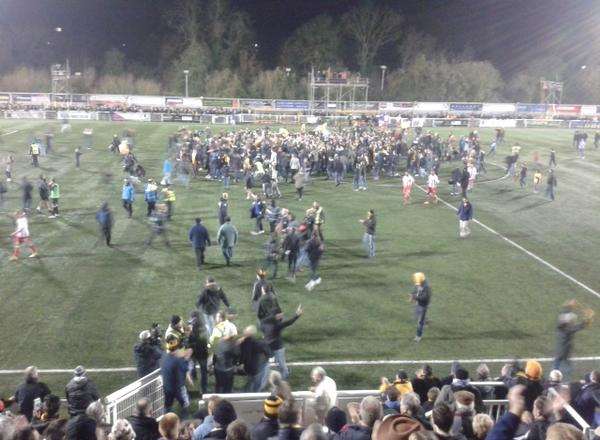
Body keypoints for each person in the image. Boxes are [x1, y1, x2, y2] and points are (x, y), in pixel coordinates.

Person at [553, 300, 594, 379]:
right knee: (567, 367)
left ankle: (555, 376)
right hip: (565, 351)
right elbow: (579, 327)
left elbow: (563, 317)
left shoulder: (560, 328)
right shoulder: (569, 329)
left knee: (557, 365)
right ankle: (566, 379)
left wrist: (568, 306)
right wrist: (587, 320)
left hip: (559, 351)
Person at [260, 305, 303, 380]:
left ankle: (284, 376)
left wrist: (265, 337)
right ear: (276, 315)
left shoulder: (264, 322)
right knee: (281, 364)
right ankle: (285, 374)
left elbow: (263, 329)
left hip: (268, 346)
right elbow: (289, 322)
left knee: (273, 363)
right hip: (277, 347)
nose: (282, 315)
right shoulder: (277, 325)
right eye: (280, 314)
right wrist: (297, 315)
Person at [161, 336, 192, 417]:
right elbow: (185, 368)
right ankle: (184, 423)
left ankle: (166, 423)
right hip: (178, 388)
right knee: (185, 405)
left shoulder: (164, 356)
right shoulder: (178, 361)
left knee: (167, 407)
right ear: (177, 348)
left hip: (167, 387)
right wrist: (187, 358)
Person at [239, 325, 271, 392]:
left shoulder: (243, 342)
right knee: (256, 381)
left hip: (249, 366)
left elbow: (244, 355)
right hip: (254, 366)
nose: (243, 331)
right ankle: (255, 392)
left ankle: (247, 391)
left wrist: (241, 363)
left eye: (245, 330)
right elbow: (267, 351)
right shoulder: (256, 343)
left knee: (252, 380)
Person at [187, 310, 209, 395]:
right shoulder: (203, 327)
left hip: (198, 352)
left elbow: (201, 340)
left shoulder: (201, 328)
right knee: (201, 370)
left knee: (202, 371)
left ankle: (204, 389)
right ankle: (203, 387)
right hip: (200, 353)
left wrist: (192, 333)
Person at [410, 272, 431, 343]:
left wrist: (415, 297)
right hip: (418, 304)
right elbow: (415, 289)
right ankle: (426, 321)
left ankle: (418, 336)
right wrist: (412, 295)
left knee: (420, 322)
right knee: (416, 316)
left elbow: (425, 298)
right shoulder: (419, 283)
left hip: (423, 306)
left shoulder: (426, 287)